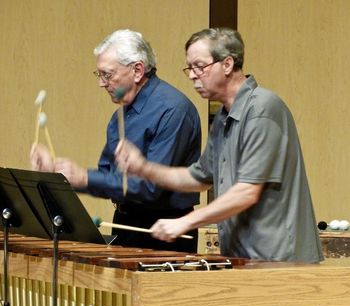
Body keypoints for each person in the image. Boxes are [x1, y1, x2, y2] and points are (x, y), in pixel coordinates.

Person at [116, 27, 324, 263]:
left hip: (279, 259)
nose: (193, 75)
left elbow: (247, 192)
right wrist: (144, 168)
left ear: (227, 64)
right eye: (190, 68)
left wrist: (186, 222)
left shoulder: (262, 109)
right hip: (243, 256)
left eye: (199, 66)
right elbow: (199, 178)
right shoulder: (224, 118)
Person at [30, 29, 201, 253]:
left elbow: (151, 188)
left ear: (137, 70)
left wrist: (84, 177)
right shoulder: (120, 115)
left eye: (107, 74)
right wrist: (62, 175)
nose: (102, 83)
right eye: (99, 74)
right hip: (124, 222)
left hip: (165, 231)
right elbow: (107, 177)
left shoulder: (174, 110)